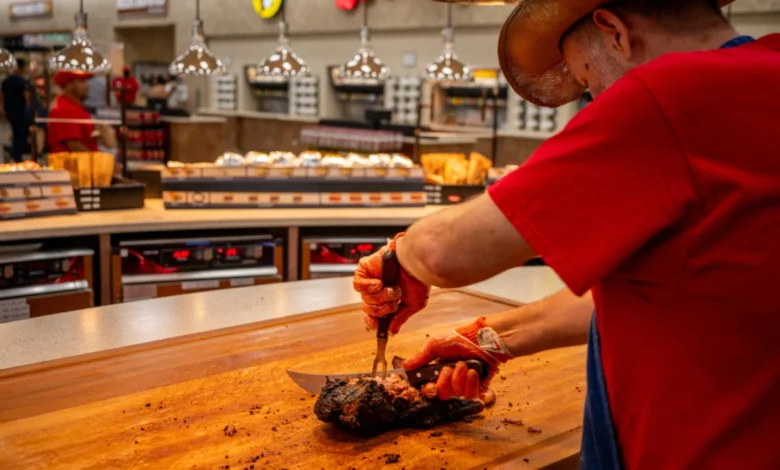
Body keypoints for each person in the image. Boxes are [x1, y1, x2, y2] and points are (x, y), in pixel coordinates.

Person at [352, 0, 780, 469]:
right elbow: (678, 290)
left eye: (585, 78)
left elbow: (445, 253)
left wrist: (400, 256)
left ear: (614, 31)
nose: (594, 97)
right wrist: (492, 339)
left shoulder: (670, 97)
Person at [48, 71, 115, 152]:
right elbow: (74, 146)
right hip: (73, 160)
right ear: (68, 85)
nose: (86, 85)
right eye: (81, 81)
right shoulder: (64, 109)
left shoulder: (77, 107)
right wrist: (97, 158)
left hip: (84, 159)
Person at [1, 58, 30, 162]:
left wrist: (3, 109)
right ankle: (16, 155)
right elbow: (27, 96)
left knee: (15, 132)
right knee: (21, 135)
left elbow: (2, 96)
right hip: (20, 112)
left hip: (10, 111)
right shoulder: (21, 81)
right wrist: (31, 109)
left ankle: (13, 153)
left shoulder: (6, 81)